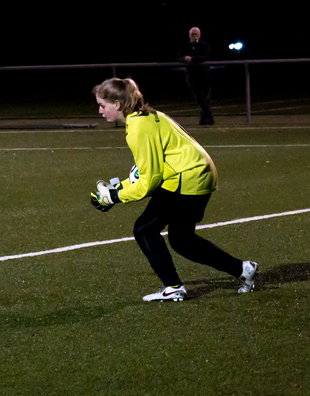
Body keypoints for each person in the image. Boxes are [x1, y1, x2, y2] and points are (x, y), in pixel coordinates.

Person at [90, 77, 257, 302]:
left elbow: (149, 181)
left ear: (117, 105)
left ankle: (173, 287)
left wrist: (114, 196)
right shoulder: (149, 116)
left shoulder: (138, 128)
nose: (100, 111)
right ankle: (243, 270)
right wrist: (117, 189)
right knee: (182, 240)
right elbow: (145, 172)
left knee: (144, 230)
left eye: (102, 105)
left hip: (186, 180)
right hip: (199, 175)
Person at [177, 27, 214, 125]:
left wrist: (193, 58)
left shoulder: (204, 45)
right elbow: (178, 57)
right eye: (192, 34)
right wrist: (185, 58)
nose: (194, 36)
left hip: (204, 75)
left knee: (205, 98)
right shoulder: (185, 45)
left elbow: (206, 56)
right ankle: (209, 116)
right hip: (192, 76)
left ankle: (204, 119)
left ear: (200, 35)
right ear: (189, 35)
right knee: (200, 97)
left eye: (196, 34)